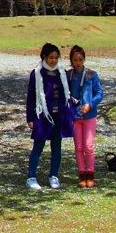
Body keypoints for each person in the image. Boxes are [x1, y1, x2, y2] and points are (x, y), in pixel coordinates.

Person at [25, 43, 71, 190]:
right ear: (44, 57)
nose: (53, 61)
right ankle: (31, 177)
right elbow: (31, 97)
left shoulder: (62, 73)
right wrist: (30, 118)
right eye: (51, 57)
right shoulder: (37, 73)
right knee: (38, 146)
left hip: (59, 116)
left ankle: (54, 176)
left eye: (56, 58)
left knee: (56, 147)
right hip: (42, 115)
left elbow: (67, 94)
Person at [68, 44, 103, 188]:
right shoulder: (68, 75)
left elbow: (99, 93)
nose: (78, 63)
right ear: (71, 60)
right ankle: (82, 174)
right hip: (75, 116)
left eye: (80, 59)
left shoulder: (91, 75)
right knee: (78, 147)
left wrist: (91, 104)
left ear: (84, 59)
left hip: (89, 115)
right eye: (75, 60)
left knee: (88, 146)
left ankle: (90, 174)